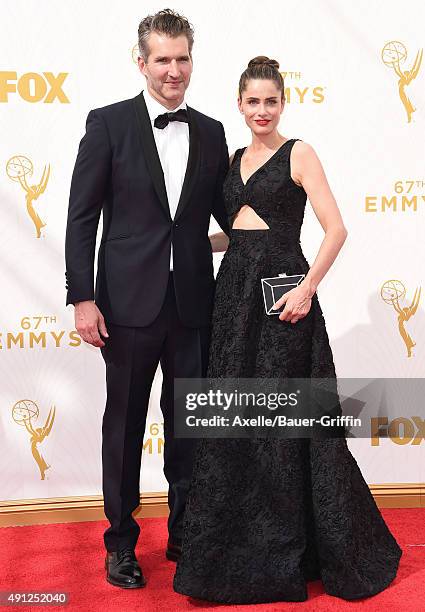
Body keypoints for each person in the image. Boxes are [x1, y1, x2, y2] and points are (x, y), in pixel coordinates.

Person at [173, 57, 402, 604]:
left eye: (270, 101)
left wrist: (307, 289)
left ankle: (300, 548)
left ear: (282, 103)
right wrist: (184, 243)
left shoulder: (299, 151)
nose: (261, 110)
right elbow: (238, 235)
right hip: (233, 302)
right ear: (239, 103)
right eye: (252, 101)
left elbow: (336, 228)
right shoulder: (231, 159)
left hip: (284, 306)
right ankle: (237, 545)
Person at [64, 9, 230, 589]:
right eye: (163, 59)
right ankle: (120, 544)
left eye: (183, 58)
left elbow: (225, 217)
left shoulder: (211, 131)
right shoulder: (107, 124)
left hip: (191, 307)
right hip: (126, 307)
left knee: (191, 428)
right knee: (125, 427)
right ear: (142, 63)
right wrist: (82, 298)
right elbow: (82, 218)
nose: (174, 70)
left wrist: (277, 242)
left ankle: (186, 534)